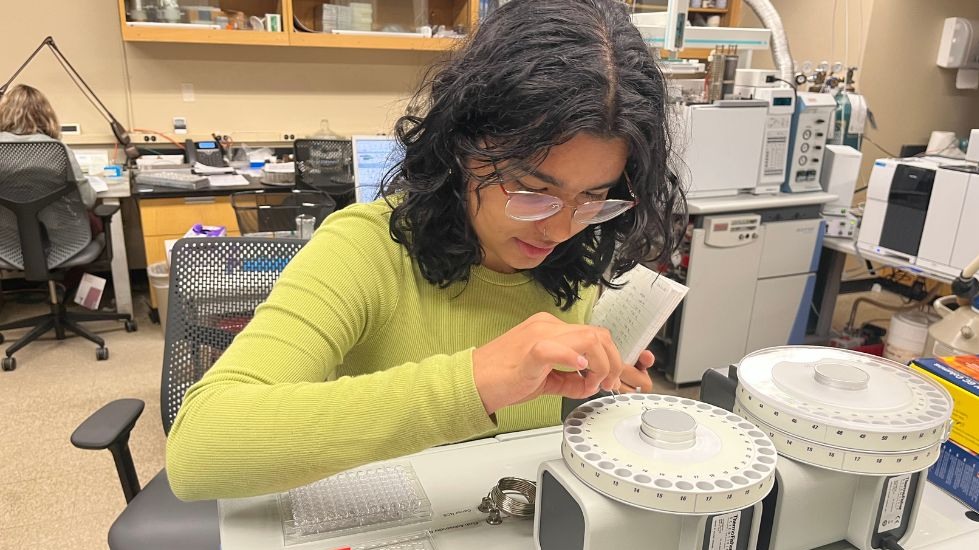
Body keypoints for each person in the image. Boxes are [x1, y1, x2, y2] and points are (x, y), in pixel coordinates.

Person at [166, 0, 684, 501]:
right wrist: (474, 383)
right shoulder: (363, 249)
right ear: (462, 147)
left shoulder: (576, 253)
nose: (560, 230)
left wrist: (591, 397)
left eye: (593, 198)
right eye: (533, 191)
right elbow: (198, 449)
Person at [0, 84, 98, 209]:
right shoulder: (58, 150)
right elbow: (87, 200)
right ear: (45, 114)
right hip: (52, 227)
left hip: (5, 227)